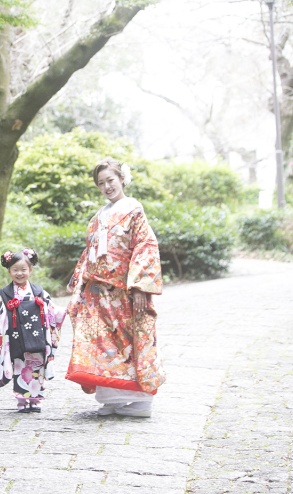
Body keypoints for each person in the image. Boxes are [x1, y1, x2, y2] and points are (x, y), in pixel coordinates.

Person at [65, 158, 166, 418]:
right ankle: (112, 398)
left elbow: (145, 246)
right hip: (98, 292)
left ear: (122, 179)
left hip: (124, 290)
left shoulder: (134, 209)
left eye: (111, 180)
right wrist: (79, 286)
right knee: (102, 344)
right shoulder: (99, 215)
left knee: (127, 342)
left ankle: (141, 401)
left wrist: (142, 286)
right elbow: (89, 252)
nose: (107, 186)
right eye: (101, 183)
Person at [0, 248, 64, 412]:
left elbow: (52, 310)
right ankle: (22, 399)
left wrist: (63, 312)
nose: (19, 273)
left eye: (23, 269)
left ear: (30, 270)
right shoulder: (6, 294)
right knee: (19, 364)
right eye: (15, 270)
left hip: (37, 335)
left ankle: (35, 399)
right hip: (16, 336)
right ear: (9, 271)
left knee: (36, 364)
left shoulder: (39, 292)